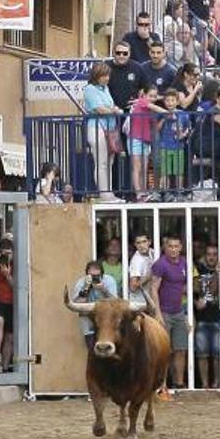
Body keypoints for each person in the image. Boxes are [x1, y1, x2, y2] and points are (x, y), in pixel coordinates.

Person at [149, 236, 190, 391]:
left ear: (181, 247)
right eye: (170, 246)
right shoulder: (161, 264)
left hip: (179, 311)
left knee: (180, 349)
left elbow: (186, 287)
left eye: (176, 246)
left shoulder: (184, 262)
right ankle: (162, 385)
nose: (173, 249)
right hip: (164, 312)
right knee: (164, 351)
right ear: (165, 247)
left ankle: (179, 384)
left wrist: (187, 313)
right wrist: (158, 314)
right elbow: (153, 288)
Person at [82, 62, 122, 202]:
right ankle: (104, 193)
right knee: (101, 161)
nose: (107, 78)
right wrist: (115, 111)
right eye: (104, 76)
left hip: (109, 128)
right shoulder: (89, 89)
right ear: (96, 76)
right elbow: (99, 108)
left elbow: (110, 105)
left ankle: (109, 192)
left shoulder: (105, 89)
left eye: (108, 75)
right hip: (97, 127)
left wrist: (114, 109)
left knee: (109, 161)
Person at [193, 244, 220, 389]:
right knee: (202, 354)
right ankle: (205, 385)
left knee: (218, 354)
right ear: (204, 256)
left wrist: (217, 274)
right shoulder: (199, 270)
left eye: (215, 254)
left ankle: (217, 383)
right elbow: (191, 290)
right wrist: (195, 302)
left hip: (218, 317)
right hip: (202, 318)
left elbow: (215, 291)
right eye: (209, 254)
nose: (212, 257)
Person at [71, 261, 119, 352]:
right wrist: (86, 288)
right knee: (92, 349)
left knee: (110, 350)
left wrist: (104, 290)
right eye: (91, 276)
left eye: (97, 276)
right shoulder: (81, 283)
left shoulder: (109, 281)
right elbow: (77, 305)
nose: (94, 278)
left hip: (106, 322)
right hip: (88, 320)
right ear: (86, 275)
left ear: (102, 275)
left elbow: (115, 302)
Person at [156, 88, 191, 196]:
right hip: (165, 146)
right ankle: (165, 191)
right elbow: (157, 128)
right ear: (164, 102)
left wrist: (183, 135)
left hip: (178, 146)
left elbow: (188, 128)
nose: (170, 103)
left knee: (178, 171)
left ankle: (179, 190)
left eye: (172, 100)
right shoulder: (161, 113)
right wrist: (164, 118)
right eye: (167, 100)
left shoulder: (183, 114)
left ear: (177, 101)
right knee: (165, 171)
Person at [0, 238, 15, 373]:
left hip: (12, 302)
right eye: (4, 253)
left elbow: (18, 288)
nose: (7, 256)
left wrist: (8, 276)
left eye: (9, 253)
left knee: (10, 336)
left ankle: (6, 367)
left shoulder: (16, 265)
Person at [127, 233, 158, 309]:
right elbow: (133, 287)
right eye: (138, 243)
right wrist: (150, 275)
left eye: (144, 241)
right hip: (139, 303)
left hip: (151, 299)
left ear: (149, 242)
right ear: (135, 245)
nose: (141, 245)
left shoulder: (153, 253)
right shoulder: (136, 261)